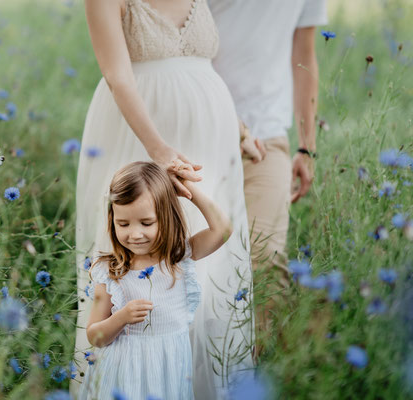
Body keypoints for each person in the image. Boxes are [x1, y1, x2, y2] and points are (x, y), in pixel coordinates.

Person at [74, 0, 254, 397]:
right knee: (139, 231)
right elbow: (117, 75)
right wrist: (158, 150)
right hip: (142, 132)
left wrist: (240, 130)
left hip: (209, 140)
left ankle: (197, 384)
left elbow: (200, 67)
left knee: (211, 276)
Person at [207, 0, 328, 348]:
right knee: (201, 266)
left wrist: (307, 145)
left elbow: (304, 54)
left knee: (265, 263)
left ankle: (258, 379)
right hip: (201, 129)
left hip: (267, 138)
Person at [79, 161, 231, 399]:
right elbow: (94, 335)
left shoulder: (178, 258)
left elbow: (222, 229)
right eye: (123, 223)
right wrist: (120, 318)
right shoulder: (111, 270)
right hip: (122, 375)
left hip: (168, 372)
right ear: (112, 221)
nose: (135, 233)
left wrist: (187, 188)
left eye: (147, 223)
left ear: (166, 217)